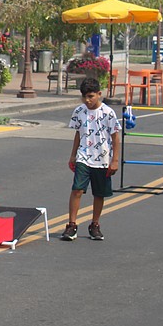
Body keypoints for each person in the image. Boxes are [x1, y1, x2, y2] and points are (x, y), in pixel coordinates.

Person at [64, 76, 122, 241]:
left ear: (99, 94)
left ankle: (95, 224)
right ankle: (72, 224)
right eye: (85, 97)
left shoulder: (108, 113)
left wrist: (115, 159)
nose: (87, 100)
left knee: (99, 193)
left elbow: (115, 137)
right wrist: (73, 155)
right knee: (77, 189)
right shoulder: (79, 111)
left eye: (91, 96)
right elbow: (78, 133)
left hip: (102, 158)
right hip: (84, 156)